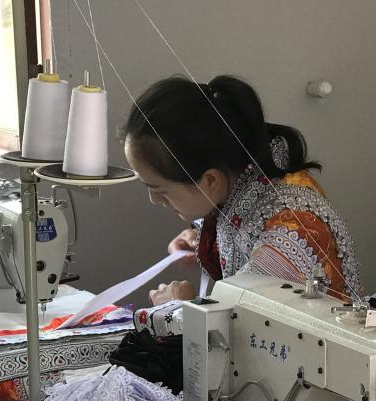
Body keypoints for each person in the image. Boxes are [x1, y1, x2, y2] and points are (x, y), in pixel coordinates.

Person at [122, 75, 362, 303]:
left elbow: (236, 322)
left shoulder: (289, 234)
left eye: (159, 189)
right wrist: (202, 239)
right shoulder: (248, 179)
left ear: (210, 181)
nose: (154, 199)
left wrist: (178, 306)